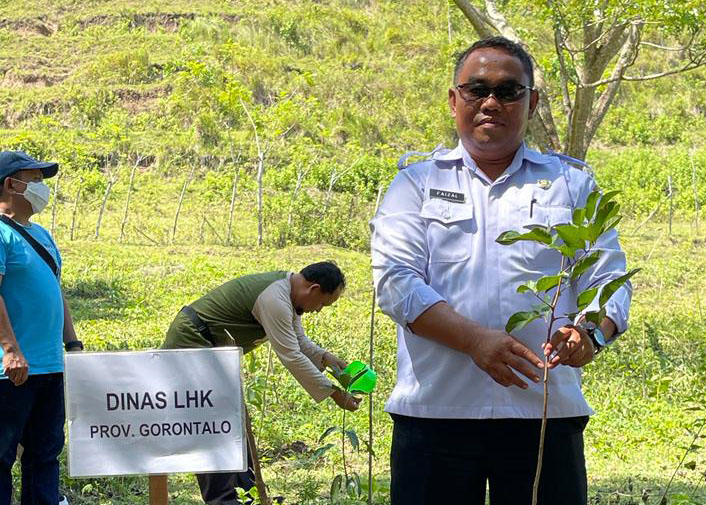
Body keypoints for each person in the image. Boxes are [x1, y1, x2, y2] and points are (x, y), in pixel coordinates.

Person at [370, 37, 633, 505]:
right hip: (435, 414)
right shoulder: (415, 183)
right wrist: (474, 341)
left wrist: (591, 333)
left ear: (532, 102)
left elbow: (607, 277)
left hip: (544, 417)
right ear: (454, 100)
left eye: (509, 90)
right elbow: (395, 285)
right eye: (476, 89)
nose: (491, 102)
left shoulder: (571, 184)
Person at [162, 261, 360, 505]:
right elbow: (291, 355)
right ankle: (222, 500)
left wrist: (325, 357)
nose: (318, 310)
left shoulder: (288, 295)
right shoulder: (275, 299)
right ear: (314, 289)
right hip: (191, 343)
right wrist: (335, 394)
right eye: (323, 304)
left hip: (212, 350)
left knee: (230, 419)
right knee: (210, 424)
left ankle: (248, 494)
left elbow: (298, 340)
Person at [0, 151, 82, 505]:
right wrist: (11, 350)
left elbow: (55, 290)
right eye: (34, 180)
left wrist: (73, 344)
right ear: (10, 184)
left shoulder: (44, 235)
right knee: (0, 458)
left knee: (45, 456)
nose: (41, 188)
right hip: (12, 371)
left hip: (51, 367)